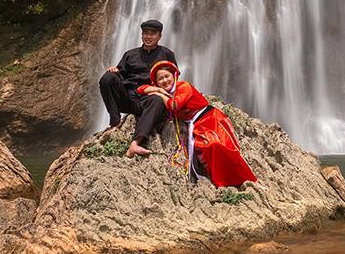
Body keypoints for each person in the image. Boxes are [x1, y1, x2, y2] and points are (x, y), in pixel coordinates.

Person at [138, 60, 256, 188]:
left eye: (167, 76)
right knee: (203, 150)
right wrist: (156, 89)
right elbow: (140, 89)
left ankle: (242, 179)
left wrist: (159, 94)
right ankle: (220, 181)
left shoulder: (184, 87)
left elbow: (174, 105)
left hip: (209, 120)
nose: (165, 80)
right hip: (195, 124)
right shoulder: (168, 91)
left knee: (217, 146)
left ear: (174, 76)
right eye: (160, 79)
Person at [99, 19, 176, 158]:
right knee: (107, 78)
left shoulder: (167, 54)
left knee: (157, 100)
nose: (148, 36)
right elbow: (120, 75)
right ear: (141, 35)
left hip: (149, 99)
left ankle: (135, 143)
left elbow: (172, 78)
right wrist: (114, 71)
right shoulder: (130, 54)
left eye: (153, 33)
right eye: (145, 33)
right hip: (128, 98)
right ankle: (115, 122)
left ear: (160, 36)